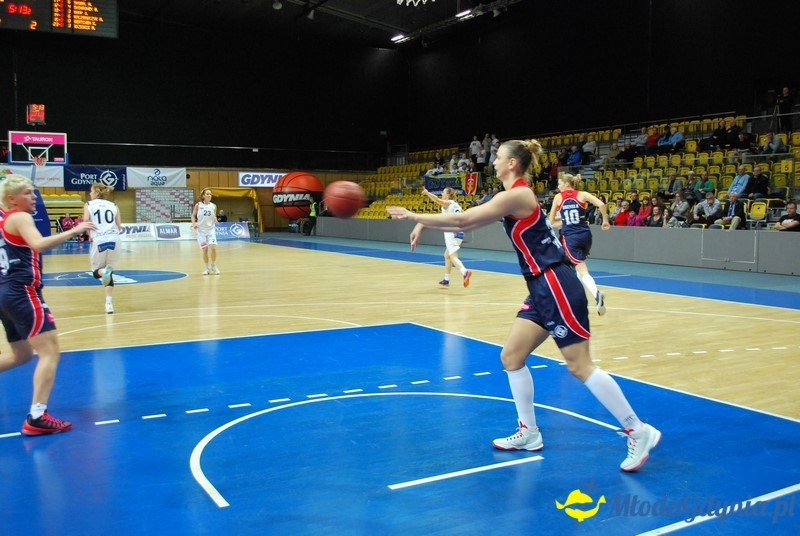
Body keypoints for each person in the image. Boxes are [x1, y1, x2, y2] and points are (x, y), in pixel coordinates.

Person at [386, 139, 660, 473]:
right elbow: (460, 215)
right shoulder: (506, 195)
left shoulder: (519, 195)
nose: (493, 161)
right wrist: (420, 224)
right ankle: (529, 433)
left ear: (513, 164)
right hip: (541, 287)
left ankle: (638, 429)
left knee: (579, 365)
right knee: (512, 356)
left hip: (555, 282)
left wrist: (413, 216)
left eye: (498, 157)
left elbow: (463, 222)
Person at [0, 174, 96, 435]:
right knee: (50, 352)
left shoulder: (3, 219)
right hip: (22, 292)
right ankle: (37, 417)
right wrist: (75, 230)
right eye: (29, 193)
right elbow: (38, 244)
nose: (35, 197)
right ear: (12, 199)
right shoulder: (19, 217)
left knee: (21, 355)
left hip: (5, 291)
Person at [548, 173, 610, 315]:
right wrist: (605, 220)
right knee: (573, 267)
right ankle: (576, 299)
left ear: (566, 184)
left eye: (559, 183)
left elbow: (551, 222)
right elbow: (601, 204)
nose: (558, 186)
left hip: (571, 238)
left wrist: (562, 219)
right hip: (586, 235)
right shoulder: (582, 194)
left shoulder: (558, 198)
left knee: (581, 269)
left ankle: (596, 294)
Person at [83, 182, 122, 314]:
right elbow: (119, 225)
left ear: (96, 192)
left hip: (99, 240)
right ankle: (109, 304)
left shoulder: (89, 204)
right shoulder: (113, 205)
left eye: (91, 191)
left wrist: (89, 235)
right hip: (114, 240)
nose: (90, 193)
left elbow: (86, 222)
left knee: (96, 272)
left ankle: (104, 274)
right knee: (108, 272)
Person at [421, 187, 472, 288]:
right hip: (459, 233)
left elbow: (437, 200)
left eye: (443, 192)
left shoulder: (448, 203)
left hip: (451, 232)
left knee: (453, 256)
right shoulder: (456, 205)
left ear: (448, 195)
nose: (442, 193)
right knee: (447, 255)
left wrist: (427, 193)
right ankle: (446, 280)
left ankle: (465, 272)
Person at [191, 187, 220, 275]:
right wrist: (194, 223)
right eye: (207, 194)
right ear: (203, 196)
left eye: (210, 194)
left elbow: (213, 216)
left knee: (214, 249)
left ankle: (213, 265)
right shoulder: (198, 205)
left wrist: (215, 220)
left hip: (211, 230)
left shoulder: (213, 206)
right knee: (205, 250)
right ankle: (206, 268)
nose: (209, 195)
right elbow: (193, 216)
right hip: (201, 232)